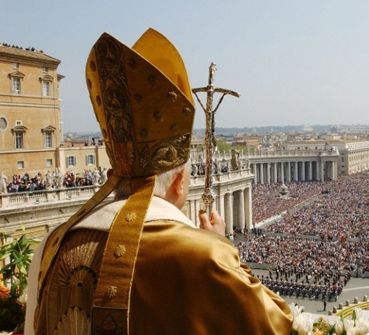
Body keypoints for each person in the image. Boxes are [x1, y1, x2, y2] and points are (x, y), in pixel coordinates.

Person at [25, 29, 292, 335]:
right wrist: (222, 247)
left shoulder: (54, 243)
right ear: (179, 182)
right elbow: (276, 323)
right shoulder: (202, 255)